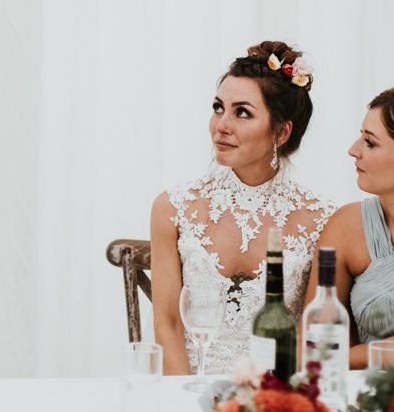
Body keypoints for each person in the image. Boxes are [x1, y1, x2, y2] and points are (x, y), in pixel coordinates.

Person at [150, 41, 335, 375]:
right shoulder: (173, 208)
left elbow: (312, 342)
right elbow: (167, 325)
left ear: (281, 132)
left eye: (242, 112)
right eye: (218, 107)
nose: (221, 125)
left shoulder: (322, 219)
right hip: (187, 392)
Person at [303, 87, 394, 369]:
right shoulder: (346, 226)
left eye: (370, 142)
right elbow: (314, 346)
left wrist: (350, 356)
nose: (353, 150)